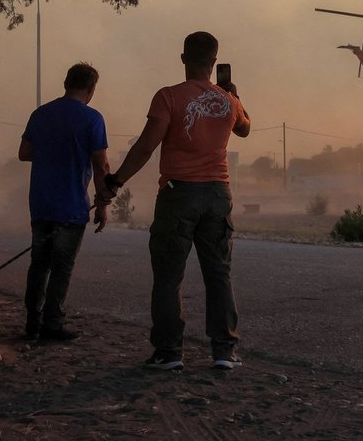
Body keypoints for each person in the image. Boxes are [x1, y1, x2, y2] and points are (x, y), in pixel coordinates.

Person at [104, 32, 251, 371]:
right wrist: (236, 96)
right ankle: (224, 351)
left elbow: (145, 146)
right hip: (217, 194)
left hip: (178, 193)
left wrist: (115, 182)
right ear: (214, 63)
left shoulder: (168, 97)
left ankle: (169, 353)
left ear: (183, 58)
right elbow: (244, 128)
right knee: (219, 274)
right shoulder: (228, 100)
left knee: (169, 276)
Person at [18, 63, 111, 342]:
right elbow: (101, 165)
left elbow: (24, 152)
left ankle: (32, 322)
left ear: (66, 82)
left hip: (41, 203)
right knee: (62, 267)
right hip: (71, 206)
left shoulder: (41, 114)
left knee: (38, 265)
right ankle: (52, 323)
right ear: (91, 89)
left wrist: (51, 151)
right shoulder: (92, 118)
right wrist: (103, 203)